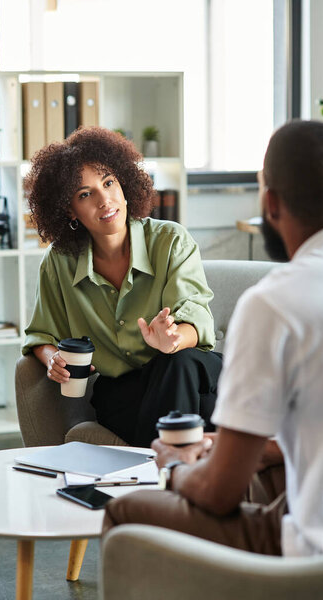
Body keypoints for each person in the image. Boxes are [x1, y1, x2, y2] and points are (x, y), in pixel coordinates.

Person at [103, 120, 323, 557]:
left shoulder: (275, 304)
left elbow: (220, 493)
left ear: (270, 202)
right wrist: (258, 448)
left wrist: (176, 468)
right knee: (265, 472)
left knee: (126, 512)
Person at [22, 126, 223, 447]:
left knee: (177, 364)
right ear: (69, 209)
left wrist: (171, 340)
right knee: (179, 407)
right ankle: (177, 475)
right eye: (85, 194)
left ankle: (154, 478)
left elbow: (196, 318)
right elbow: (41, 334)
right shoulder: (59, 261)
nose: (105, 200)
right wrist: (51, 360)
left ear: (125, 183)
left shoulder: (171, 241)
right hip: (124, 390)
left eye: (109, 182)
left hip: (191, 370)